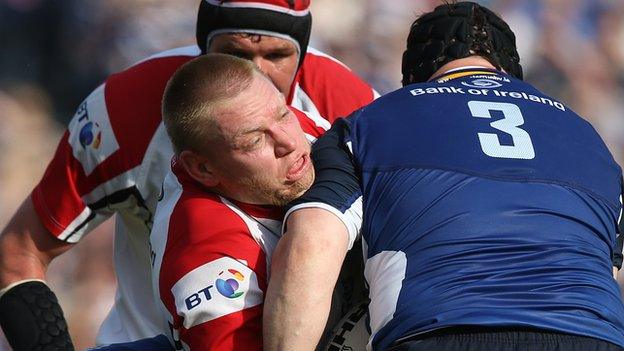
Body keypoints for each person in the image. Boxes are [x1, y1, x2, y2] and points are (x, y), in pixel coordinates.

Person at [0, 0, 377, 349]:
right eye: (236, 53)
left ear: (302, 52)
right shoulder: (122, 111)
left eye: (277, 55)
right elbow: (18, 253)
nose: (253, 74)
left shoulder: (347, 102)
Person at [264, 2, 624, 351]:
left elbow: (312, 240)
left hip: (442, 328)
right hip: (594, 334)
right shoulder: (589, 138)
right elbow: (604, 268)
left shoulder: (370, 123)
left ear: (415, 71)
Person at [151, 53, 323, 350]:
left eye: (284, 113)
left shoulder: (274, 122)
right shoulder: (209, 261)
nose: (289, 143)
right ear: (203, 169)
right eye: (255, 141)